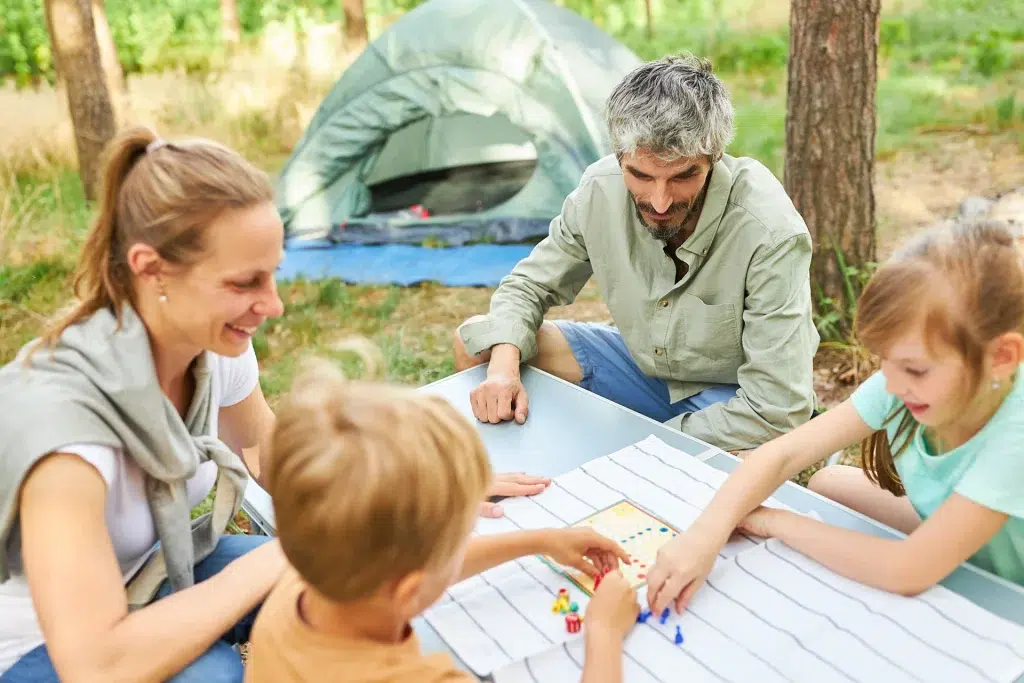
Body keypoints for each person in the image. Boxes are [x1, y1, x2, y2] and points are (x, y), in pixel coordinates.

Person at [0, 126, 545, 683]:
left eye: (274, 274)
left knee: (366, 576)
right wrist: (281, 556)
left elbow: (269, 458)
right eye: (244, 282)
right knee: (213, 672)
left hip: (159, 567)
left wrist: (419, 490)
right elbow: (95, 665)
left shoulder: (213, 347)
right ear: (150, 268)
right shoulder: (68, 440)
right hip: (42, 643)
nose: (274, 305)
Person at [644, 220, 1024, 618]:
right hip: (965, 533)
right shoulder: (906, 384)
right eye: (885, 361)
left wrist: (772, 522)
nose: (889, 386)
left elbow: (909, 569)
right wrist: (706, 533)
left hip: (1009, 588)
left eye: (914, 370)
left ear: (1001, 358)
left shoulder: (1014, 435)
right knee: (827, 481)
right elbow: (782, 455)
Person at [453, 53, 819, 454]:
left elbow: (776, 408)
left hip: (734, 399)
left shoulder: (770, 231)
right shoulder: (599, 190)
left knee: (747, 465)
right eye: (641, 176)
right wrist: (504, 370)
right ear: (618, 156)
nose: (660, 202)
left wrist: (643, 445)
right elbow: (528, 286)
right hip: (643, 370)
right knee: (481, 345)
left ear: (713, 159)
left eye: (683, 176)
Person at [246, 358, 641, 683]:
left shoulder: (298, 587)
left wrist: (537, 540)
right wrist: (603, 636)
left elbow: (409, 568)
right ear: (408, 590)